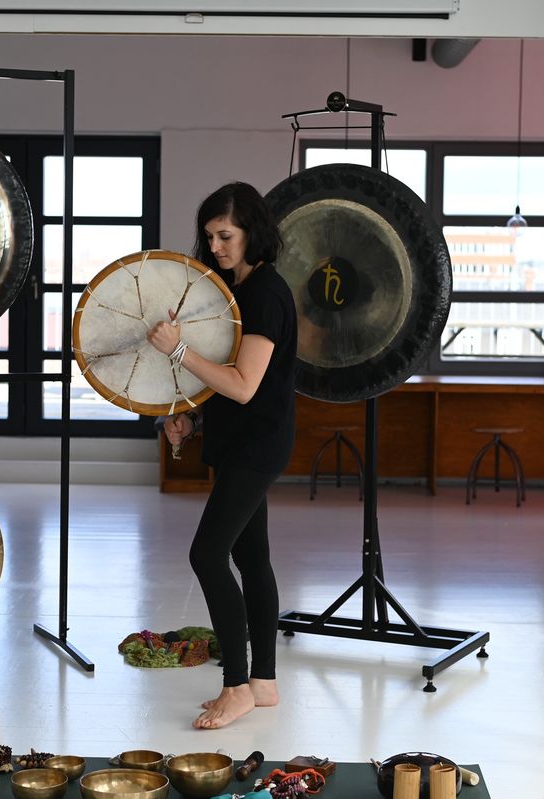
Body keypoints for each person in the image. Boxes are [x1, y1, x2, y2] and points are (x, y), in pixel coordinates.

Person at [146, 181, 297, 730]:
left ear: (252, 231)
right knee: (252, 558)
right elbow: (223, 388)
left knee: (208, 556)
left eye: (226, 235)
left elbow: (243, 385)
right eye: (209, 236)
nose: (216, 246)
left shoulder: (265, 294)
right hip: (238, 440)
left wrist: (178, 350)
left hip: (258, 444)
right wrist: (192, 417)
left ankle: (235, 684)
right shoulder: (235, 290)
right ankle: (264, 683)